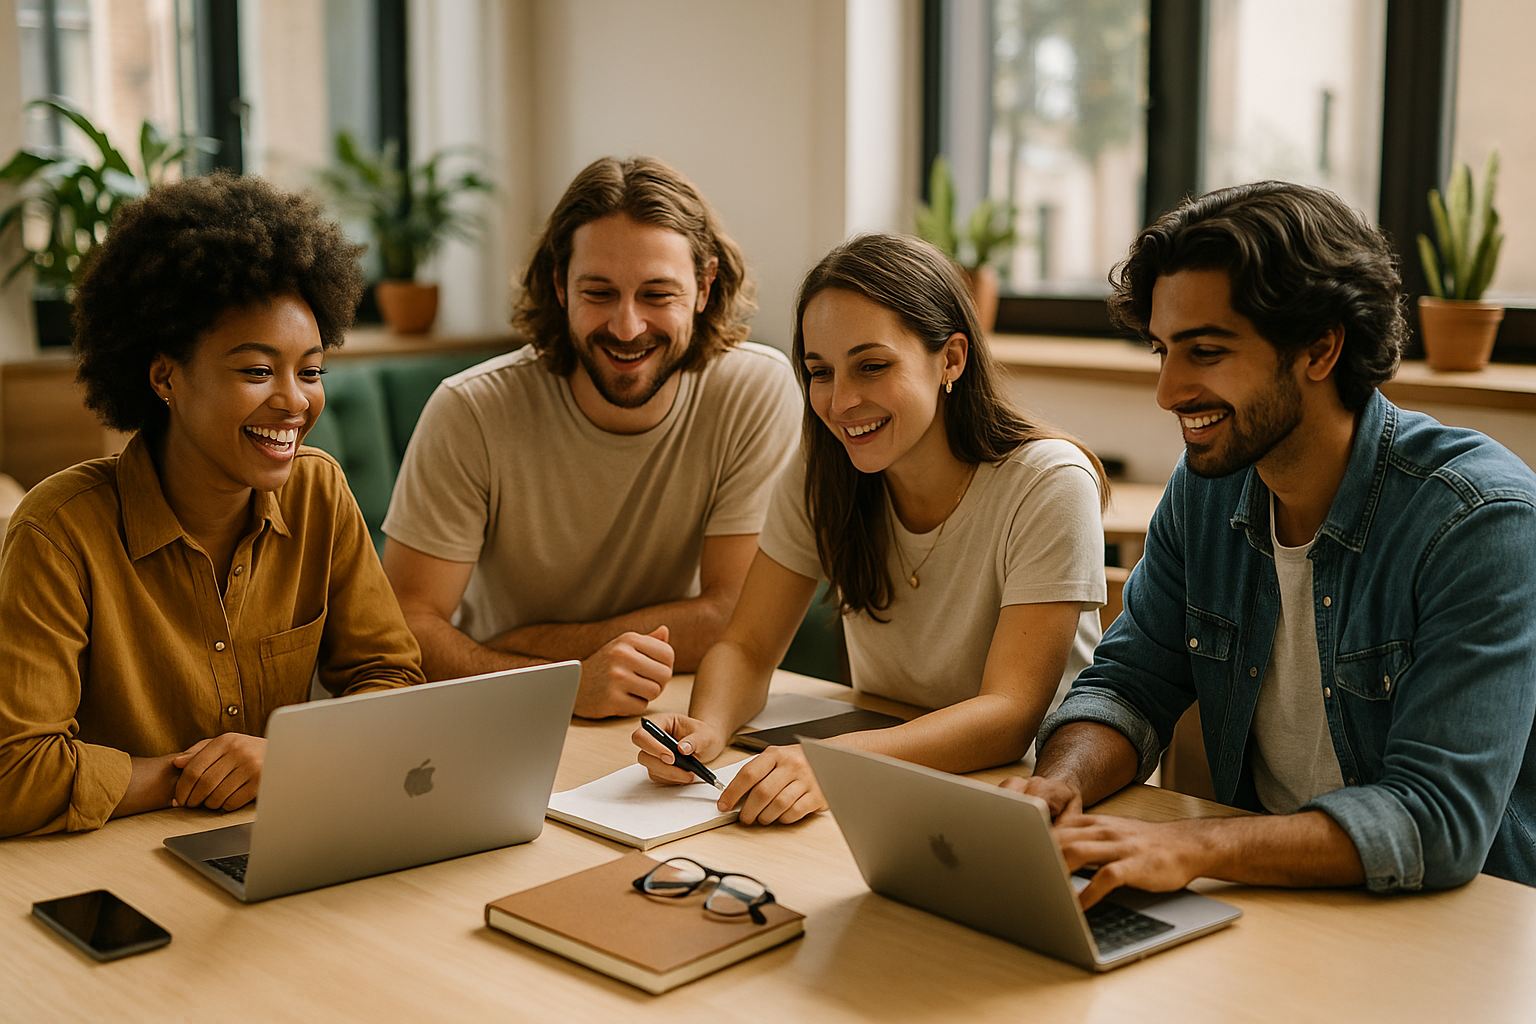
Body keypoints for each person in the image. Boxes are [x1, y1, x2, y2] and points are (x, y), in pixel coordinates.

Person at [1005, 181, 1536, 907]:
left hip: (1446, 926)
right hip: (1268, 894)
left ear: (1320, 349)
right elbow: (1129, 684)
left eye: (1206, 351)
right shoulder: (1208, 488)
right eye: (1163, 350)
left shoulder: (1479, 521)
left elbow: (1437, 820)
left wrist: (1189, 847)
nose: (1167, 390)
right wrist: (1056, 788)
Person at [0, 173, 426, 839]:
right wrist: (194, 775)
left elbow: (390, 679)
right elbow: (14, 774)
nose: (294, 401)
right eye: (257, 371)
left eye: (310, 371)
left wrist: (286, 756)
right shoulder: (59, 531)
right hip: (105, 870)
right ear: (165, 375)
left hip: (277, 841)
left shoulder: (320, 491)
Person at [633, 233, 1108, 824]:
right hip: (895, 782)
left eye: (873, 366)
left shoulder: (1049, 481)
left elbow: (1010, 715)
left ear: (951, 359)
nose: (840, 401)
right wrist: (708, 725)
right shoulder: (820, 471)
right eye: (820, 372)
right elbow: (749, 647)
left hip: (1026, 800)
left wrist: (834, 763)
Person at [382, 156, 800, 719]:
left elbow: (733, 615)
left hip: (672, 706)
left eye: (658, 294)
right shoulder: (471, 410)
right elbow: (406, 626)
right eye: (599, 293)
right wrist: (565, 684)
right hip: (505, 708)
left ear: (705, 288)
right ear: (560, 286)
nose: (627, 327)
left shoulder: (754, 388)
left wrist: (534, 644)